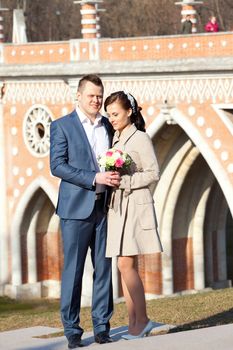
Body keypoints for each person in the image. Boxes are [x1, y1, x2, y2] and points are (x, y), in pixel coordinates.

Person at [50, 74, 121, 349]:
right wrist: (95, 178)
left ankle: (102, 328)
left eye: (99, 96)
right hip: (75, 209)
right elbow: (57, 166)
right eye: (91, 95)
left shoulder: (108, 126)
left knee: (104, 269)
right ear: (78, 96)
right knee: (74, 271)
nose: (96, 100)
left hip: (105, 208)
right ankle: (72, 331)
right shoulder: (62, 126)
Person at [104, 91, 163, 340]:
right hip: (119, 208)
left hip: (135, 207)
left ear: (129, 112)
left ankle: (143, 320)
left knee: (124, 264)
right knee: (124, 266)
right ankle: (133, 323)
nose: (112, 119)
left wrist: (126, 181)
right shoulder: (116, 140)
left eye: (115, 114)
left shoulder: (140, 138)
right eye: (109, 115)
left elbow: (153, 173)